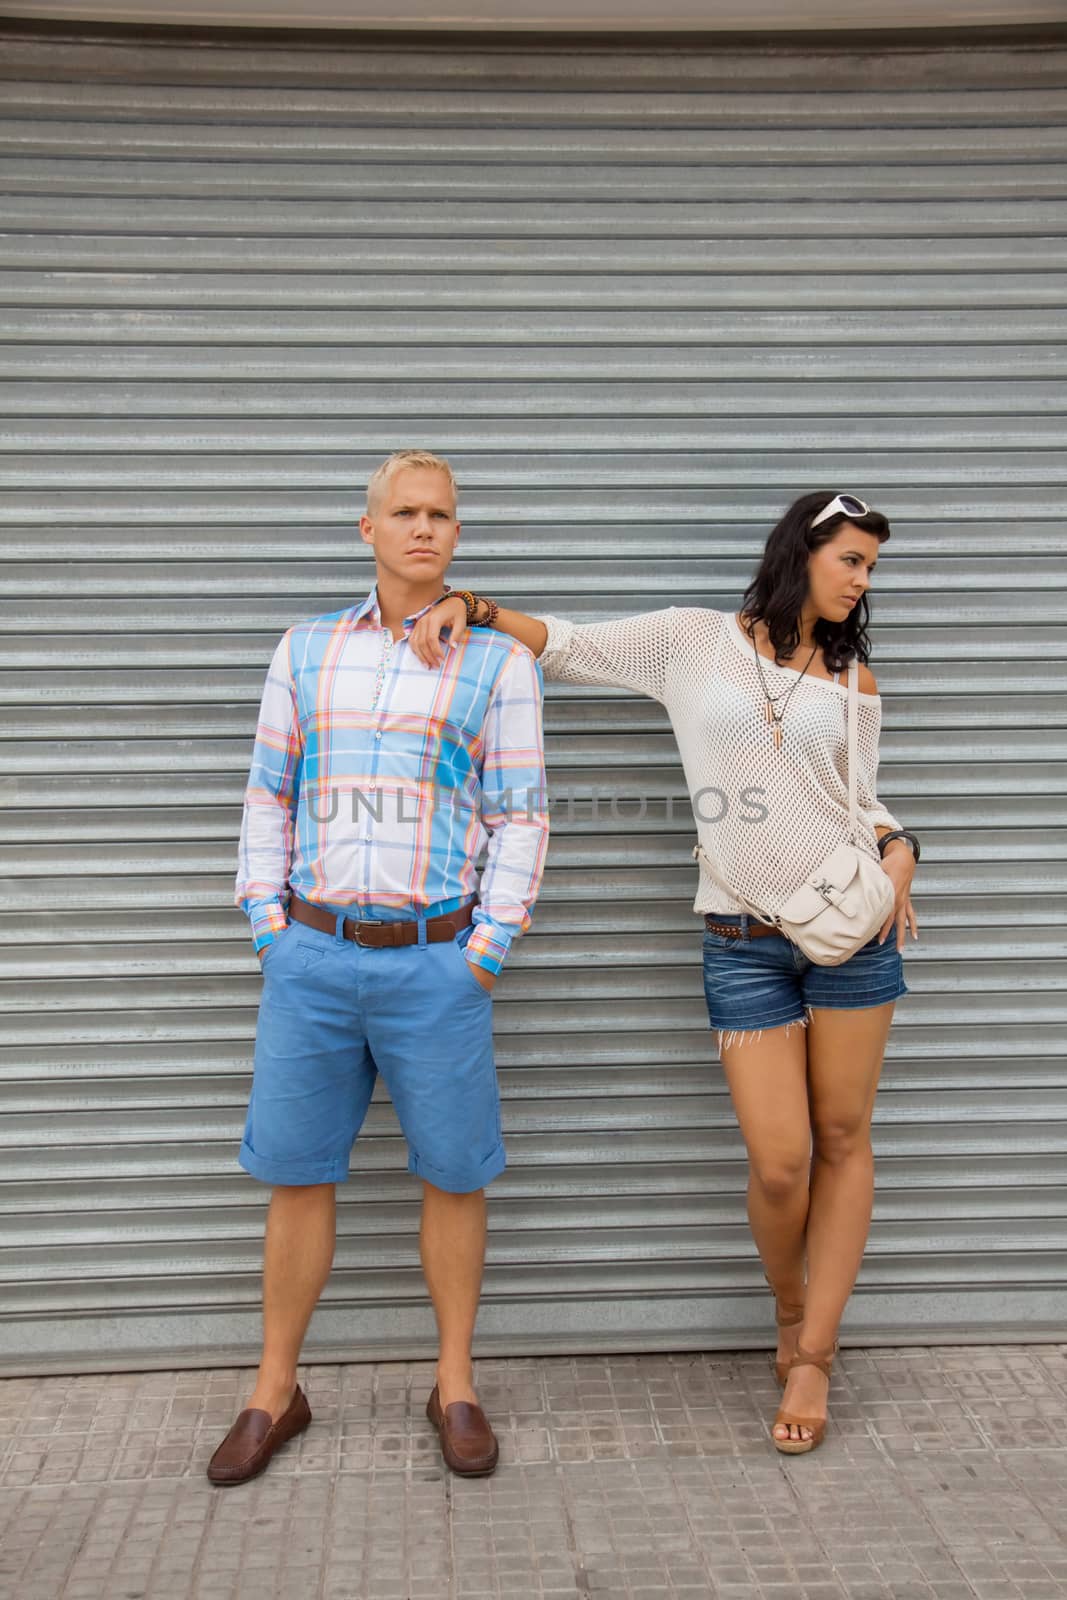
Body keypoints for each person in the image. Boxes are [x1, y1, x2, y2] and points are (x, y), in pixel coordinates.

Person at [409, 490, 919, 1456]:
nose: (861, 582)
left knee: (844, 1135)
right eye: (850, 560)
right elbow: (567, 643)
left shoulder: (857, 684)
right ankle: (787, 1304)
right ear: (801, 552)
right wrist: (470, 606)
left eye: (870, 570)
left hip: (854, 936)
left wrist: (902, 851)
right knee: (779, 1162)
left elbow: (860, 801)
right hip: (738, 936)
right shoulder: (693, 642)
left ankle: (812, 1354)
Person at [207, 450, 549, 1487]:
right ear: (366, 529)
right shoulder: (307, 650)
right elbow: (268, 792)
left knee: (454, 1173)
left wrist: (482, 952)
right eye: (403, 511)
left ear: (456, 532)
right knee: (295, 1173)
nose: (423, 528)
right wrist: (270, 928)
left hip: (437, 963)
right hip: (310, 961)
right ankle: (276, 1387)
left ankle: (453, 1381)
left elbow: (521, 814)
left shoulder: (497, 665)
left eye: (440, 513)